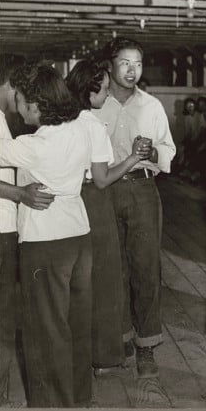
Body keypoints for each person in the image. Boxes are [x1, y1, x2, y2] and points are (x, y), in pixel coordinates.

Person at [0, 63, 95, 406]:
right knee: (76, 322)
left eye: (21, 99)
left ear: (37, 105)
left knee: (45, 329)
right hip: (79, 235)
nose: (18, 104)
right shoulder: (80, 130)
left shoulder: (31, 145)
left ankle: (53, 409)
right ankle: (80, 398)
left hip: (45, 239)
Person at [92, 37, 176, 378]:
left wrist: (152, 153)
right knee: (112, 270)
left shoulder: (152, 106)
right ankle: (119, 340)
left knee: (146, 269)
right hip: (106, 191)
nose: (132, 70)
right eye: (126, 63)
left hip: (143, 189)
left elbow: (169, 152)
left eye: (138, 63)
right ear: (110, 66)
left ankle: (147, 347)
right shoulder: (95, 105)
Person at [65, 58, 149, 375]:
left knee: (77, 280)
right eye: (103, 89)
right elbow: (102, 178)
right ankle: (103, 357)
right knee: (104, 280)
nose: (107, 93)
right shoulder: (92, 126)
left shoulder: (62, 120)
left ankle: (77, 354)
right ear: (91, 92)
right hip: (96, 203)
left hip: (72, 201)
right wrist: (134, 158)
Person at [0, 53, 54, 406]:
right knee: (1, 318)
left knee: (3, 316)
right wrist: (20, 193)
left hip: (4, 225)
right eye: (23, 96)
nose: (23, 108)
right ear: (12, 86)